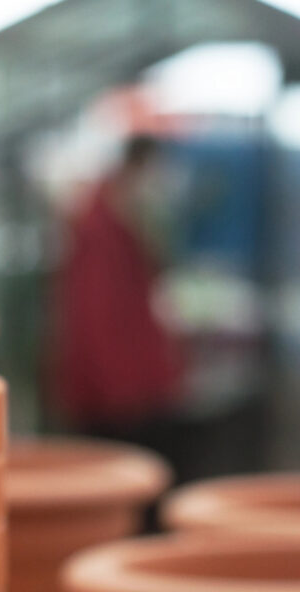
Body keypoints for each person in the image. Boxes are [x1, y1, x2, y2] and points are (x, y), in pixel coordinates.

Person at [51, 135, 183, 444]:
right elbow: (93, 309)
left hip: (127, 376)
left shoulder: (123, 213)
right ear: (139, 166)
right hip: (111, 380)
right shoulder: (98, 220)